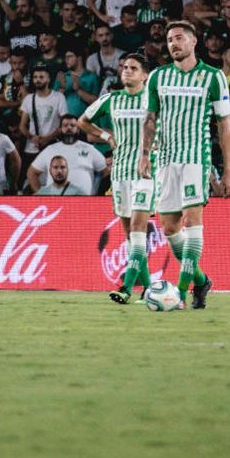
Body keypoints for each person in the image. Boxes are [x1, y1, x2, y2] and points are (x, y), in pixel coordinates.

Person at [139, 21, 230, 310]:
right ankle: (202, 279)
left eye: (179, 38)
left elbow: (225, 126)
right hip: (164, 160)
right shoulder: (157, 77)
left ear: (194, 42)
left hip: (196, 159)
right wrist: (144, 154)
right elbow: (150, 119)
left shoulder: (213, 77)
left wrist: (228, 169)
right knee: (169, 228)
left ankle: (181, 292)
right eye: (169, 40)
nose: (173, 44)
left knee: (193, 224)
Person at [79, 53, 156, 303]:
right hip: (120, 172)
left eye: (134, 68)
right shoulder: (112, 99)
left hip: (146, 172)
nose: (127, 71)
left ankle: (125, 286)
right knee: (130, 235)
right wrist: (106, 137)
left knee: (137, 229)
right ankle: (149, 289)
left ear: (145, 75)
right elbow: (83, 121)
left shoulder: (154, 99)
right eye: (124, 67)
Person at [28, 114, 107, 194]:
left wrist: (98, 193)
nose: (69, 128)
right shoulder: (50, 149)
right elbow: (32, 173)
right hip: (55, 201)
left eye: (72, 125)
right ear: (61, 129)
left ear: (78, 129)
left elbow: (106, 170)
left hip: (84, 202)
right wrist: (41, 195)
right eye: (65, 125)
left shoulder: (89, 149)